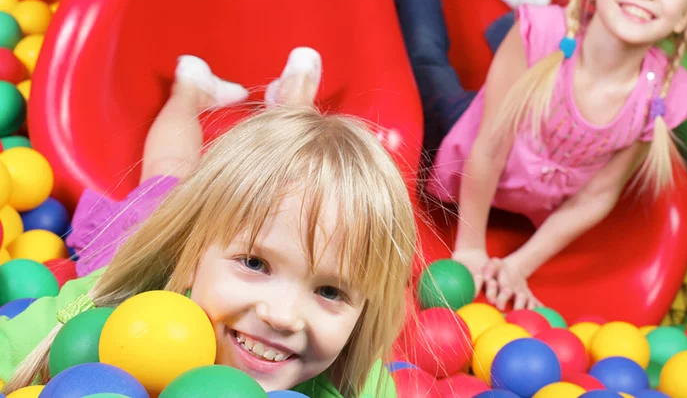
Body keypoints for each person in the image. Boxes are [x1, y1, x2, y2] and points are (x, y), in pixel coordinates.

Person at [1, 49, 417, 397]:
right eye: (254, 263)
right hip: (158, 227)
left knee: (291, 159)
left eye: (330, 291)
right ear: (192, 251)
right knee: (167, 173)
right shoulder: (115, 310)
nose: (282, 316)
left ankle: (295, 101)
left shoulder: (358, 385)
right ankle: (190, 91)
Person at [392, 0, 687, 310]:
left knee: (542, 48)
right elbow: (488, 147)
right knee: (429, 62)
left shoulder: (659, 96)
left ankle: (522, 5)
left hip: (530, 178)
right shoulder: (539, 36)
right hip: (471, 136)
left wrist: (520, 265)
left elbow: (597, 196)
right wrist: (471, 247)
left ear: (684, 17)